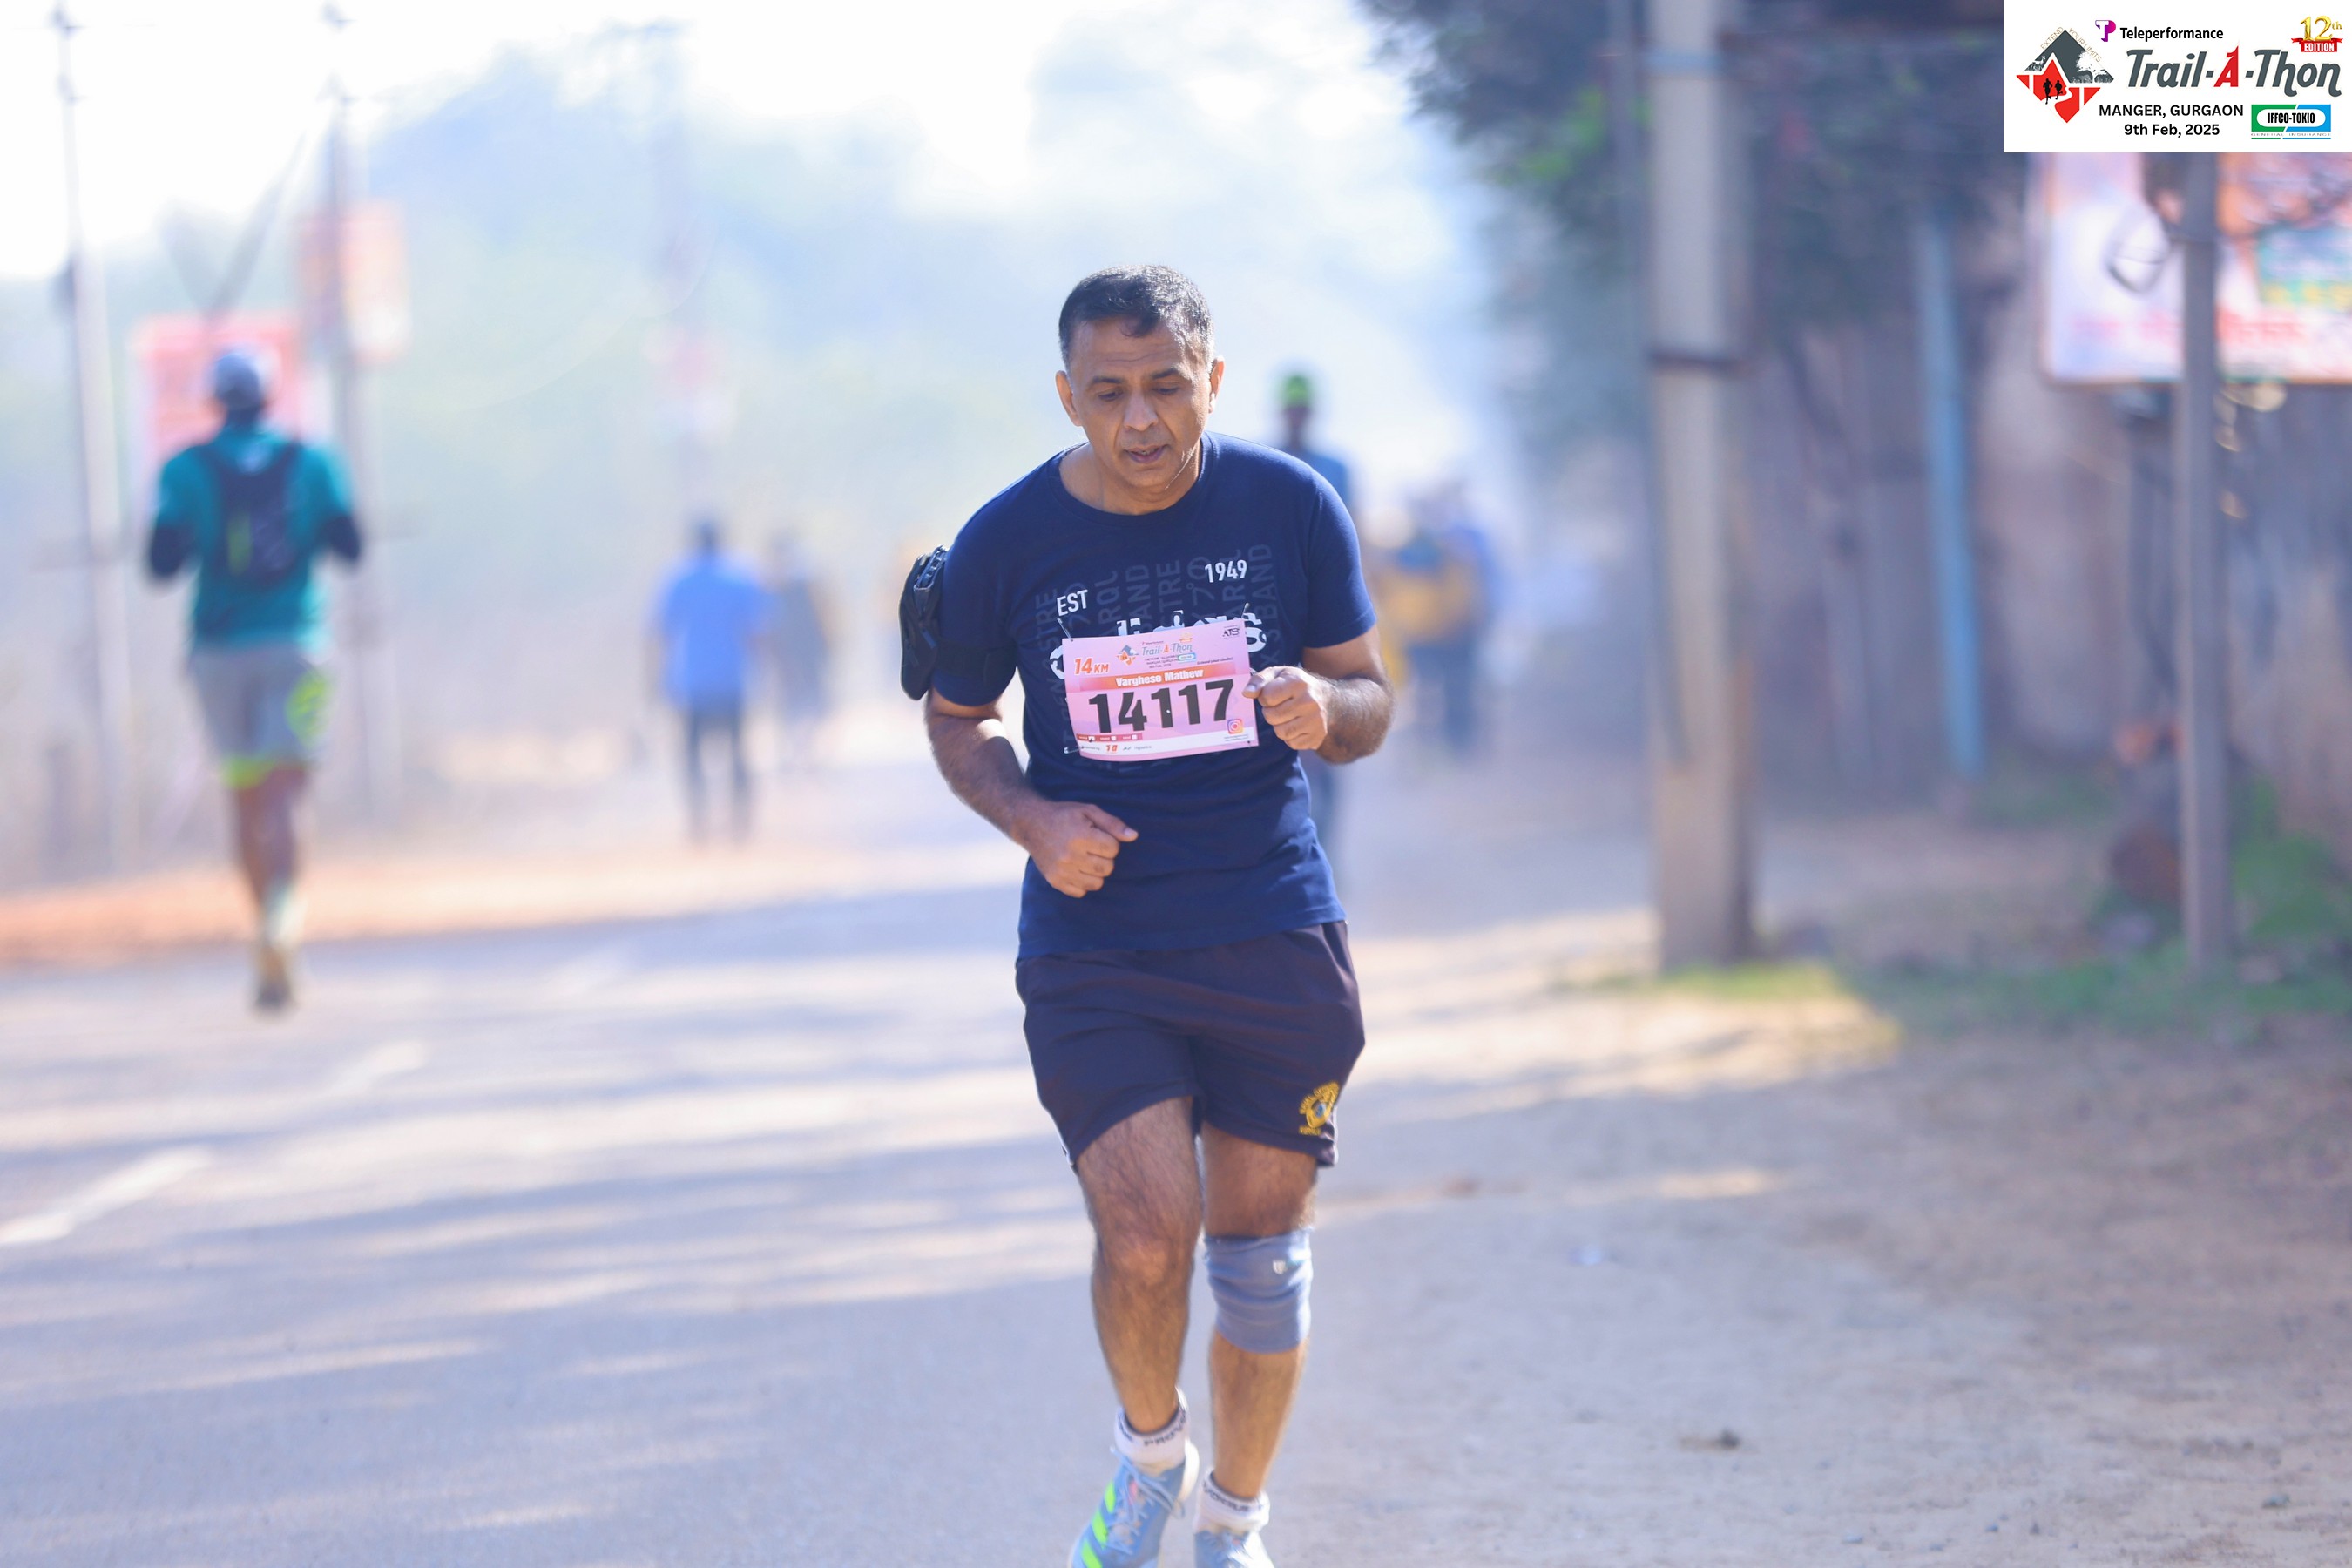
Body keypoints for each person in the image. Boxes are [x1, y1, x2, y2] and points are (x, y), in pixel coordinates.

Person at [921, 266, 1393, 1568]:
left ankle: (1234, 1522)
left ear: (1213, 381)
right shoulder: (1007, 539)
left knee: (1260, 1259)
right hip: (1099, 943)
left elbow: (1368, 696)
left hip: (1269, 925)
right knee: (1141, 1237)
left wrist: (1324, 708)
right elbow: (959, 722)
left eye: (1167, 386)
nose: (1140, 418)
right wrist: (1034, 821)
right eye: (1110, 392)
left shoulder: (1289, 507)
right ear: (1068, 395)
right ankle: (1150, 1454)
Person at [145, 347, 363, 1012]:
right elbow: (350, 547)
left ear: (215, 400)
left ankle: (264, 933)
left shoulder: (184, 470)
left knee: (243, 796)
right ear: (271, 396)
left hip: (217, 651)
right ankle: (283, 918)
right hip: (299, 647)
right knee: (288, 795)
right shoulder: (313, 462)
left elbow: (161, 564)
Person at [1274, 372, 1355, 870]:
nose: (1297, 417)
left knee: (1330, 737)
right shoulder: (1263, 466)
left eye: (1302, 409)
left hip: (1326, 622)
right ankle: (1298, 847)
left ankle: (1326, 852)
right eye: (1293, 409)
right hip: (1277, 621)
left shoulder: (1336, 469)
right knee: (1284, 737)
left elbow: (1352, 542)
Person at [649, 516, 769, 841]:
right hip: (732, 681)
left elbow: (661, 634)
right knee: (738, 753)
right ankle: (740, 823)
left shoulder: (678, 579)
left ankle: (697, 821)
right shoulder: (741, 577)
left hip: (692, 683)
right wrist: (765, 674)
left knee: (692, 757)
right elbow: (758, 633)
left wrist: (655, 680)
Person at [763, 531, 834, 768]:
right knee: (807, 702)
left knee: (793, 703)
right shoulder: (806, 581)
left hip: (792, 652)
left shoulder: (774, 583)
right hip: (804, 651)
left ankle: (796, 750)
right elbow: (824, 616)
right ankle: (802, 750)